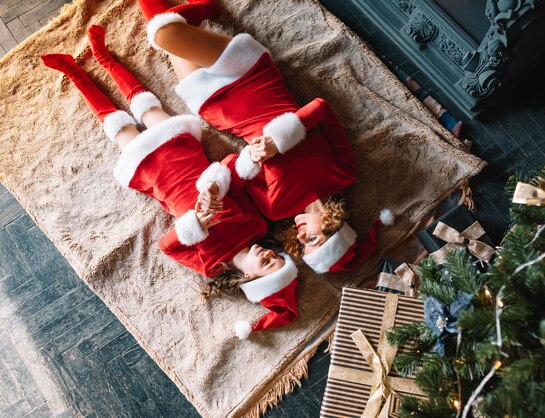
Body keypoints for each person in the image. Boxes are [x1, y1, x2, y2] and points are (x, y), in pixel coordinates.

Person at [41, 25, 298, 339]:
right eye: (277, 258)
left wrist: (196, 224)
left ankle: (73, 71)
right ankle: (104, 57)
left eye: (268, 265)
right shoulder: (257, 227)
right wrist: (217, 185)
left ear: (250, 278)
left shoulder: (210, 265)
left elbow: (168, 247)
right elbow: (236, 180)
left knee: (117, 124)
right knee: (146, 105)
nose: (269, 254)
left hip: (155, 175)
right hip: (184, 154)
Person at [137, 0, 394, 274]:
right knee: (165, 33)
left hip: (215, 107)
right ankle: (203, 11)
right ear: (334, 226)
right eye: (314, 239)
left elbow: (235, 170)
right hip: (252, 78)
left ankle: (194, 21)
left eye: (303, 244)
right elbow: (321, 108)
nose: (302, 235)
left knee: (166, 31)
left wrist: (215, 187)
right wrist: (279, 139)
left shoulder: (276, 210)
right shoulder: (343, 174)